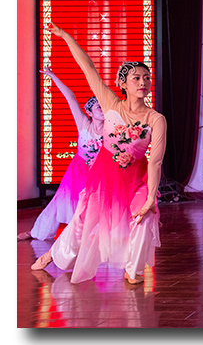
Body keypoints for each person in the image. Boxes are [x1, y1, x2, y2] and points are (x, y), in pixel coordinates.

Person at [32, 24, 167, 285]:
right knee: (82, 224)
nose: (143, 82)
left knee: (146, 214)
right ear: (123, 84)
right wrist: (66, 36)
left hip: (137, 179)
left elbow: (156, 160)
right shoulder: (110, 103)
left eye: (146, 77)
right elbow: (88, 67)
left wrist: (152, 195)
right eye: (136, 78)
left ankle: (133, 270)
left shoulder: (156, 118)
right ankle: (52, 255)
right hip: (104, 178)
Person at [19, 67, 104, 241]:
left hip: (100, 172)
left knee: (98, 202)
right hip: (78, 171)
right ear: (89, 112)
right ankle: (35, 233)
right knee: (61, 201)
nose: (102, 109)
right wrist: (52, 75)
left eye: (103, 106)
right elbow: (70, 97)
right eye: (98, 107)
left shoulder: (112, 129)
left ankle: (98, 234)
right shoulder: (84, 124)